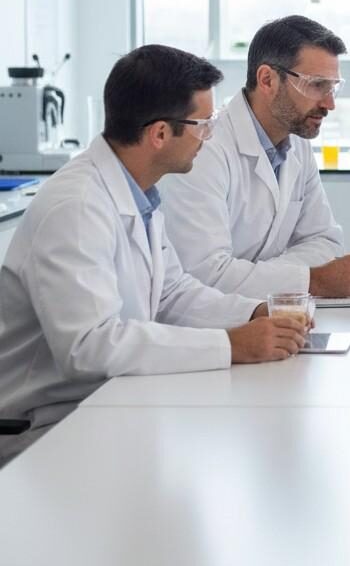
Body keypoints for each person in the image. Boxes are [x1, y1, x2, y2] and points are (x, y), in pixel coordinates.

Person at [0, 46, 309, 464]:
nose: (209, 136)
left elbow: (171, 294)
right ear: (160, 133)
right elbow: (88, 348)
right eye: (203, 124)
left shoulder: (138, 191)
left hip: (108, 400)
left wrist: (253, 313)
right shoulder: (76, 206)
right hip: (45, 426)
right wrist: (230, 345)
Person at [162, 15, 350, 300]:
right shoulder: (204, 148)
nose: (329, 103)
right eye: (316, 85)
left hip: (268, 316)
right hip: (211, 328)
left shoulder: (296, 142)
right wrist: (311, 280)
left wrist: (268, 277)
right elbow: (206, 273)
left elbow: (324, 240)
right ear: (267, 80)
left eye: (333, 87)